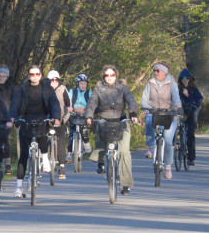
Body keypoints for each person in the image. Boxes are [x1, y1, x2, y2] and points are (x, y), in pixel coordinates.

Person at [85, 64, 139, 195]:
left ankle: (126, 184)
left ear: (116, 76)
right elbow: (92, 103)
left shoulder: (123, 88)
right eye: (106, 75)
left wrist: (132, 113)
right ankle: (101, 161)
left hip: (121, 121)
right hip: (104, 121)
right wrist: (89, 116)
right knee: (100, 142)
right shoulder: (98, 89)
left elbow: (131, 100)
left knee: (124, 151)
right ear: (103, 77)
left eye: (112, 75)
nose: (109, 77)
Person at [9, 65, 62, 198]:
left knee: (42, 135)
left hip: (42, 118)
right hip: (25, 119)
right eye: (32, 74)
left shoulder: (47, 87)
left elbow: (54, 102)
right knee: (23, 156)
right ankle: (18, 186)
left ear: (40, 75)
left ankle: (45, 158)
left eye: (37, 74)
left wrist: (56, 117)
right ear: (28, 76)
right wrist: (12, 117)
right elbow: (15, 103)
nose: (34, 77)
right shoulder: (22, 88)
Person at [141, 62, 182, 179]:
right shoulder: (150, 83)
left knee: (168, 141)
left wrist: (178, 108)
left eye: (158, 70)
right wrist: (146, 107)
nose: (156, 73)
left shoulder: (172, 84)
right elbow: (144, 99)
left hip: (169, 113)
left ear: (165, 72)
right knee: (148, 122)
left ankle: (168, 166)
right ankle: (150, 147)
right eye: (154, 70)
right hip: (153, 111)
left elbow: (176, 98)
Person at [47, 70, 72, 180]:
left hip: (60, 120)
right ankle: (43, 161)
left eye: (56, 79)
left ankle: (62, 166)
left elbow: (69, 106)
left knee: (61, 142)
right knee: (43, 139)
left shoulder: (62, 89)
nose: (54, 82)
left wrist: (63, 120)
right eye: (51, 80)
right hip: (47, 119)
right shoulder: (44, 90)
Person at [178, 68, 203, 166]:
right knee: (174, 128)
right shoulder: (177, 89)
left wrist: (188, 96)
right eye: (182, 78)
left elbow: (199, 100)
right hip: (181, 112)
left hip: (192, 112)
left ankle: (191, 158)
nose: (184, 80)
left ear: (189, 79)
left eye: (186, 78)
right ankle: (177, 145)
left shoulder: (193, 89)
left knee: (190, 134)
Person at [0, 65, 15, 175]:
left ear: (7, 77)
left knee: (4, 138)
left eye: (4, 76)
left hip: (7, 118)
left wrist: (13, 116)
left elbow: (15, 102)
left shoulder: (11, 88)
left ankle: (7, 163)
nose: (1, 78)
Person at [66, 73, 92, 161]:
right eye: (81, 83)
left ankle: (86, 142)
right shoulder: (72, 92)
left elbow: (92, 104)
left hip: (84, 115)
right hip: (73, 114)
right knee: (71, 132)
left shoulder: (89, 92)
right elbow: (67, 101)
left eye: (85, 83)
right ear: (77, 84)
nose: (83, 85)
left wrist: (85, 109)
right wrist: (70, 108)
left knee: (84, 129)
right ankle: (69, 153)